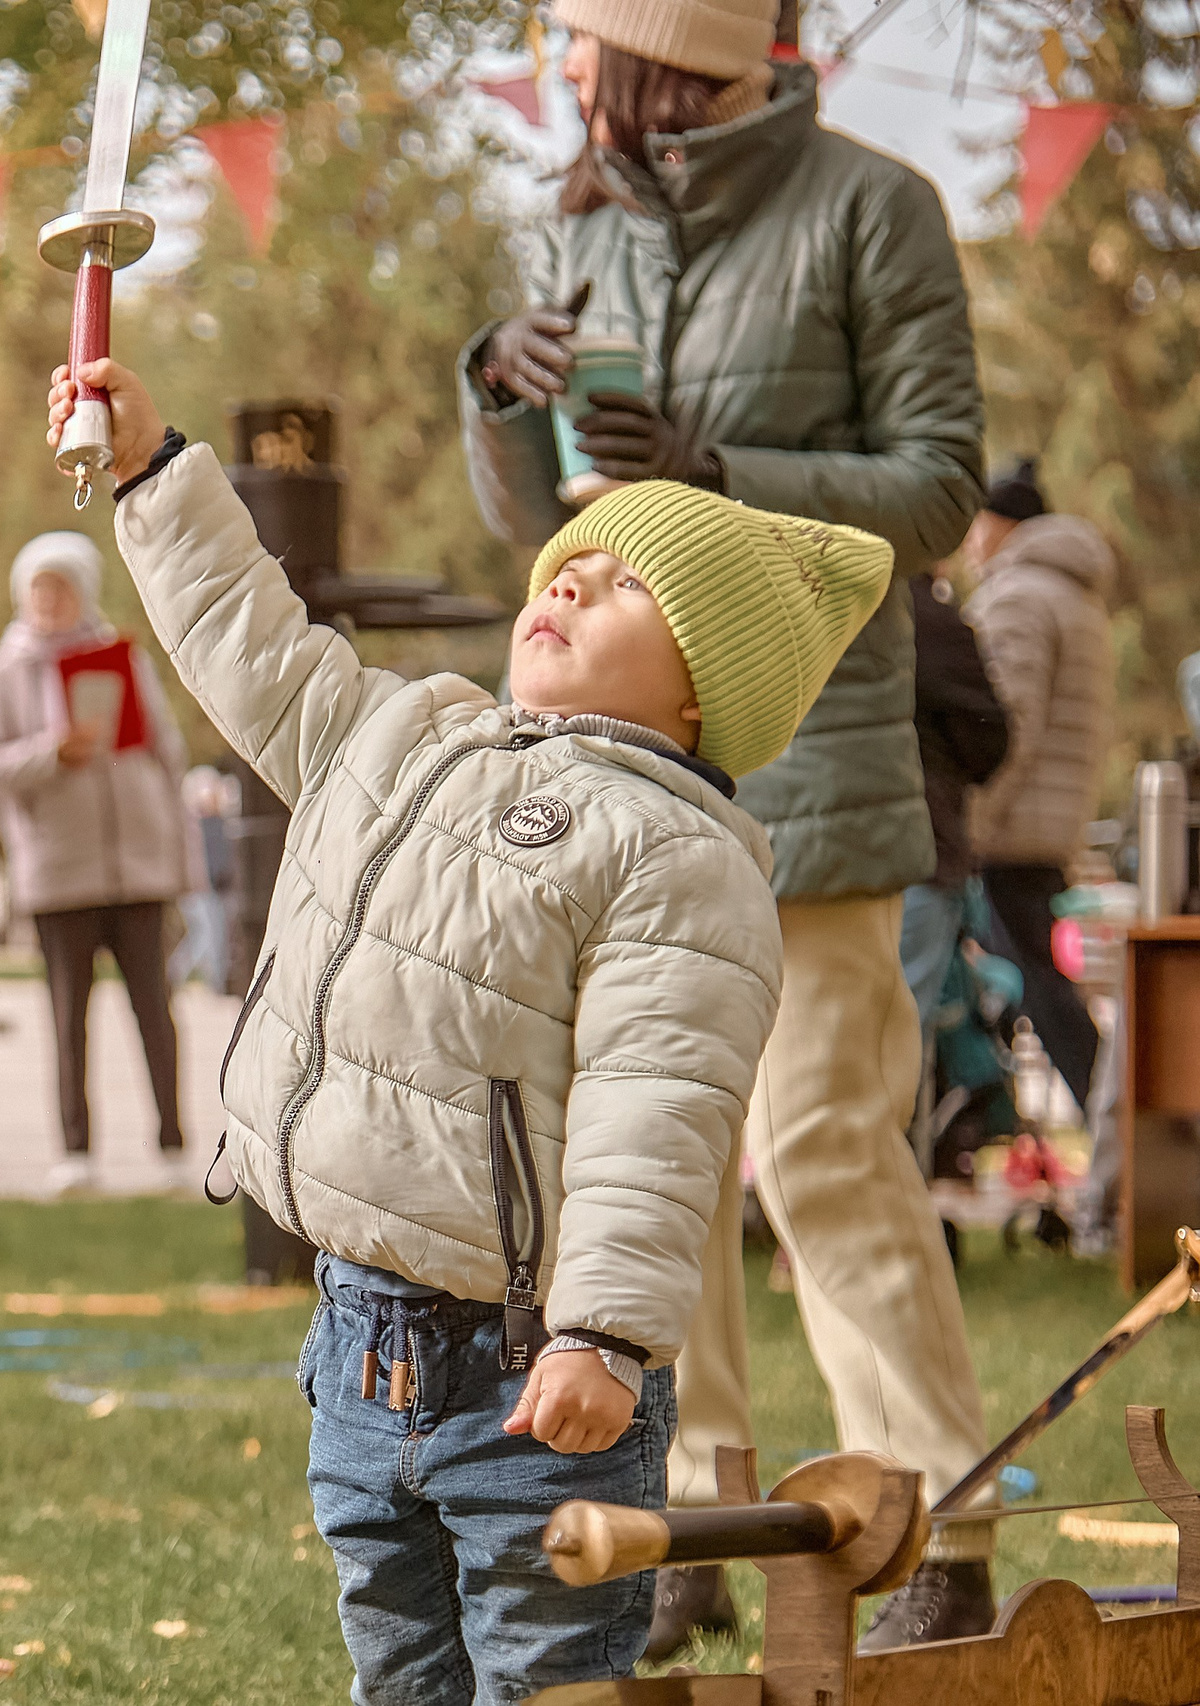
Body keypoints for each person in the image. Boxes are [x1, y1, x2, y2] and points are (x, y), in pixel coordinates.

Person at [53, 358, 886, 1700]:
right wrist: (153, 473)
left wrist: (603, 1334)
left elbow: (655, 1113)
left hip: (535, 1376)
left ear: (705, 689)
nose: (570, 586)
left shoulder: (675, 854)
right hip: (354, 1343)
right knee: (397, 1670)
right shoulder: (411, 734)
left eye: (625, 585)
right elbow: (248, 642)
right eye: (568, 566)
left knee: (546, 1679)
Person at [459, 0, 998, 1651]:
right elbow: (542, 524)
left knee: (825, 1144)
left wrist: (717, 467)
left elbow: (940, 490)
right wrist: (499, 395)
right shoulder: (582, 226)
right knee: (644, 1153)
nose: (563, 71)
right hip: (622, 772)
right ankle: (682, 1514)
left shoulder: (871, 207)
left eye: (579, 42)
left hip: (814, 763)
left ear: (658, 50)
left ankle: (938, 1524)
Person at [0, 531, 190, 1196]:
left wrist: (177, 855)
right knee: (68, 1018)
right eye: (40, 588)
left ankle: (173, 1146)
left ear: (84, 591)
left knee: (155, 1011)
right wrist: (49, 754)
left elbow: (166, 752)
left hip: (137, 866)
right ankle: (76, 1152)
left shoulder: (123, 657)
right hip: (59, 873)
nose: (50, 600)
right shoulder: (1, 671)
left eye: (61, 587)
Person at [965, 461, 1115, 1121]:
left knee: (1041, 995)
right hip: (1048, 826)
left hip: (1010, 830)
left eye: (977, 523)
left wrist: (970, 825)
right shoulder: (1075, 597)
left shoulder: (1019, 596)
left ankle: (1118, 1134)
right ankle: (1118, 1130)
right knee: (1045, 991)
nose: (969, 541)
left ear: (1003, 524)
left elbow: (1004, 730)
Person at [902, 571, 1010, 1028]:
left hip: (791, 853)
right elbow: (989, 741)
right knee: (900, 1035)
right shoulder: (923, 612)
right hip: (921, 843)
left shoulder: (792, 587)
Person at [168, 765, 236, 993]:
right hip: (198, 889)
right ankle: (176, 976)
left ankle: (214, 983)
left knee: (213, 937)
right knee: (206, 936)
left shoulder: (219, 822)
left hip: (214, 889)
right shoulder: (193, 825)